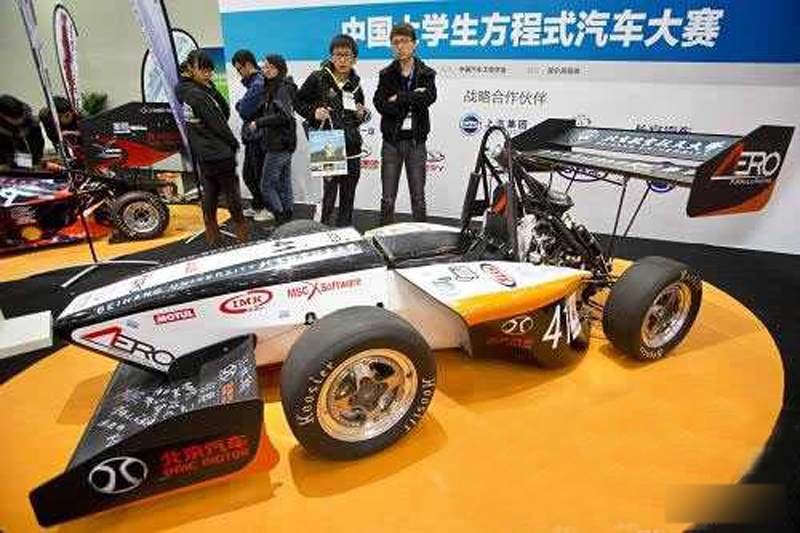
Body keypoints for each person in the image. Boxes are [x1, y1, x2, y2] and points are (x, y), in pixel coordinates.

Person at [175, 49, 249, 247]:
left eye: (209, 70)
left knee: (210, 193)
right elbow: (219, 123)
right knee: (231, 195)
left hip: (204, 153)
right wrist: (233, 143)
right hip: (219, 153)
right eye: (203, 70)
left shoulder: (190, 90)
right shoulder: (197, 94)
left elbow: (222, 112)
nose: (207, 74)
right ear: (191, 69)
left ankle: (213, 238)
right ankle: (242, 240)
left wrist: (211, 87)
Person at [295, 34, 368, 227]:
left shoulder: (356, 84)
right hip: (327, 142)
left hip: (352, 143)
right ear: (331, 56)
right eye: (338, 55)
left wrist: (360, 115)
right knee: (328, 194)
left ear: (354, 58)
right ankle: (322, 231)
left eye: (346, 55)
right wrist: (314, 112)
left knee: (348, 195)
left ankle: (344, 231)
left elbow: (357, 112)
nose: (342, 60)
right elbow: (298, 102)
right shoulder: (318, 77)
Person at [373, 23, 437, 226]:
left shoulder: (426, 72)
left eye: (404, 41)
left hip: (416, 142)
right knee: (387, 198)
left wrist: (399, 97)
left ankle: (422, 237)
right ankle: (383, 236)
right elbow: (380, 104)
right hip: (391, 142)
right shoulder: (386, 74)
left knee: (418, 198)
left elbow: (429, 98)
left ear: (414, 44)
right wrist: (412, 98)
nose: (400, 46)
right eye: (395, 42)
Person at [248, 54, 297, 225]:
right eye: (265, 66)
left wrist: (258, 123)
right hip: (283, 143)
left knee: (266, 186)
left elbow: (283, 116)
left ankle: (281, 218)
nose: (266, 70)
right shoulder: (277, 87)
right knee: (284, 183)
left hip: (278, 144)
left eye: (270, 67)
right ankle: (287, 218)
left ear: (279, 69)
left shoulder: (281, 88)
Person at [232, 49, 270, 222]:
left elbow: (244, 109)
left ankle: (267, 208)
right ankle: (258, 205)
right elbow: (244, 107)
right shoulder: (255, 83)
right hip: (253, 136)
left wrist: (240, 105)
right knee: (249, 174)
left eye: (239, 69)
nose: (239, 73)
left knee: (258, 175)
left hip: (259, 136)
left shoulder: (258, 83)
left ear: (248, 64)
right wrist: (241, 105)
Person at [0, 94, 45, 171]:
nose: (19, 120)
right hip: (5, 148)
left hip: (25, 149)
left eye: (21, 116)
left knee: (31, 161)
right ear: (2, 115)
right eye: (14, 118)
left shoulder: (30, 118)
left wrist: (35, 162)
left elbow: (38, 143)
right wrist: (4, 163)